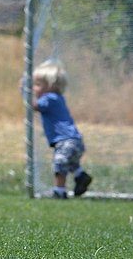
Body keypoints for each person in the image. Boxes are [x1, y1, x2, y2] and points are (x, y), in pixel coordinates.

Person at [29, 59, 92, 199]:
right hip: (75, 140)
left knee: (60, 164)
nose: (34, 88)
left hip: (66, 141)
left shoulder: (49, 98)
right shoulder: (58, 98)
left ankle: (59, 191)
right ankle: (81, 176)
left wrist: (24, 92)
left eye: (37, 85)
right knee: (71, 163)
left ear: (50, 86)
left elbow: (34, 106)